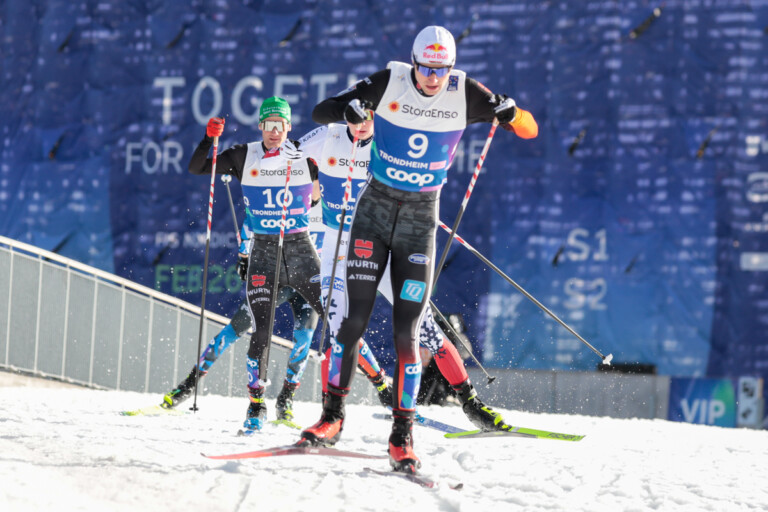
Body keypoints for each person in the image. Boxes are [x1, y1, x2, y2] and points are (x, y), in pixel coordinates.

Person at [298, 26, 538, 472]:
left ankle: (404, 436)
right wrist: (348, 108)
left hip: (418, 224)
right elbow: (320, 111)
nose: (432, 78)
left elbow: (529, 129)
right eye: (426, 68)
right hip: (371, 217)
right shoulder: (389, 81)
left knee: (410, 331)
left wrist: (512, 112)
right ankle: (332, 418)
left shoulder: (465, 92)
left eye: (441, 70)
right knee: (351, 321)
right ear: (413, 62)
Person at [299, 113, 518, 431]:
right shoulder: (327, 137)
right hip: (339, 250)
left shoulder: (390, 140)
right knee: (338, 332)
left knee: (426, 330)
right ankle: (331, 417)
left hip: (381, 247)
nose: (362, 123)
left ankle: (472, 404)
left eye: (369, 116)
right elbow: (278, 160)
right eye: (355, 116)